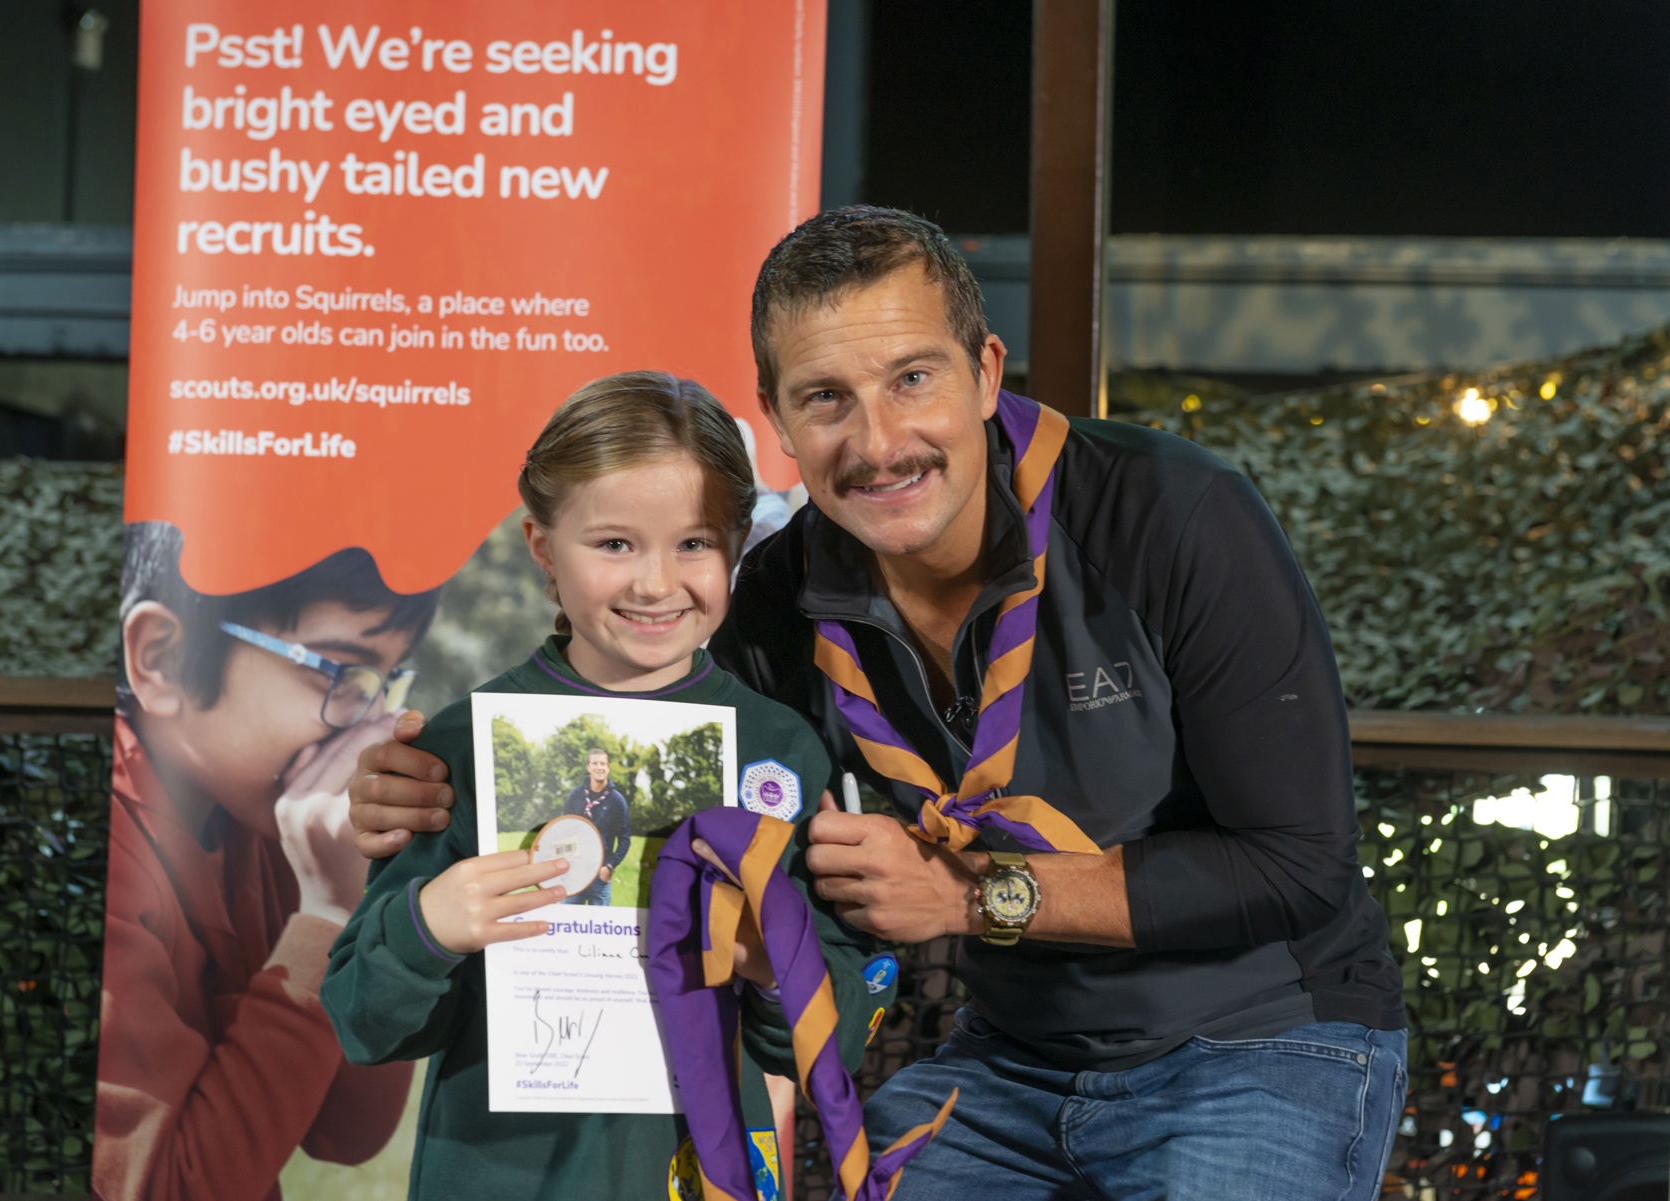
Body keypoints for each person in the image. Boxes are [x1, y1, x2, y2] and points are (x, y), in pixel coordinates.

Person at [345, 208, 1407, 1200]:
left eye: (912, 378)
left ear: (985, 373)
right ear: (778, 420)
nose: (879, 440)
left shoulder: (1173, 516)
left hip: (1265, 1038)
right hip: (1016, 1062)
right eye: (825, 398)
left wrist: (968, 898)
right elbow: (630, 729)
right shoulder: (772, 604)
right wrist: (433, 782)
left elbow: (1299, 868)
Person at [318, 372, 876, 1200]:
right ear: (543, 546)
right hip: (502, 1175)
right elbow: (364, 1021)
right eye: (615, 544)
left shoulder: (780, 749)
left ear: (737, 545)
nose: (656, 583)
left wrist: (771, 966)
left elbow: (837, 1039)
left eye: (694, 543)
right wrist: (428, 925)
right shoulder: (458, 748)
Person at [94, 524, 430, 1201]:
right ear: (162, 658)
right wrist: (328, 915)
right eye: (338, 670)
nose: (369, 725)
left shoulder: (264, 824)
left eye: (385, 683)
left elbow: (347, 1129)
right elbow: (169, 1187)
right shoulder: (101, 854)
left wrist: (369, 899)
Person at [560, 746, 629, 905]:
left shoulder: (617, 801)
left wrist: (610, 867)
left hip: (600, 874)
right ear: (588, 767)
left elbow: (625, 839)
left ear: (608, 768)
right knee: (567, 922)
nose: (599, 767)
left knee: (599, 925)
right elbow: (563, 831)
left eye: (603, 764)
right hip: (575, 873)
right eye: (595, 763)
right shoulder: (575, 795)